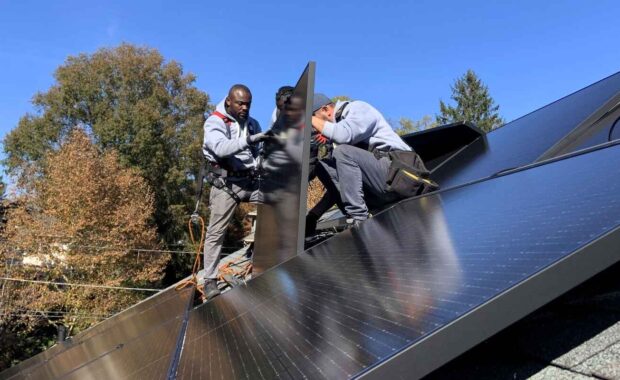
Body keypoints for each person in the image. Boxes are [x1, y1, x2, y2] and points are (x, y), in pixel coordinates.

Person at [201, 84, 271, 300]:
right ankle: (210, 280)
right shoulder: (215, 122)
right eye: (240, 103)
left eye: (248, 104)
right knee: (216, 232)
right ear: (229, 101)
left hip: (249, 181)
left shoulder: (252, 124)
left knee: (280, 198)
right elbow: (221, 148)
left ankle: (270, 258)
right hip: (226, 185)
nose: (245, 108)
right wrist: (250, 139)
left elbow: (256, 154)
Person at [309, 93, 413, 226]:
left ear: (326, 110)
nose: (316, 128)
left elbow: (343, 136)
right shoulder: (336, 136)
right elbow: (343, 185)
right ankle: (358, 213)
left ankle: (358, 219)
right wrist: (314, 215)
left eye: (315, 120)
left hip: (400, 174)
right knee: (323, 167)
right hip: (379, 186)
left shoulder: (357, 108)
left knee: (342, 152)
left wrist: (308, 119)